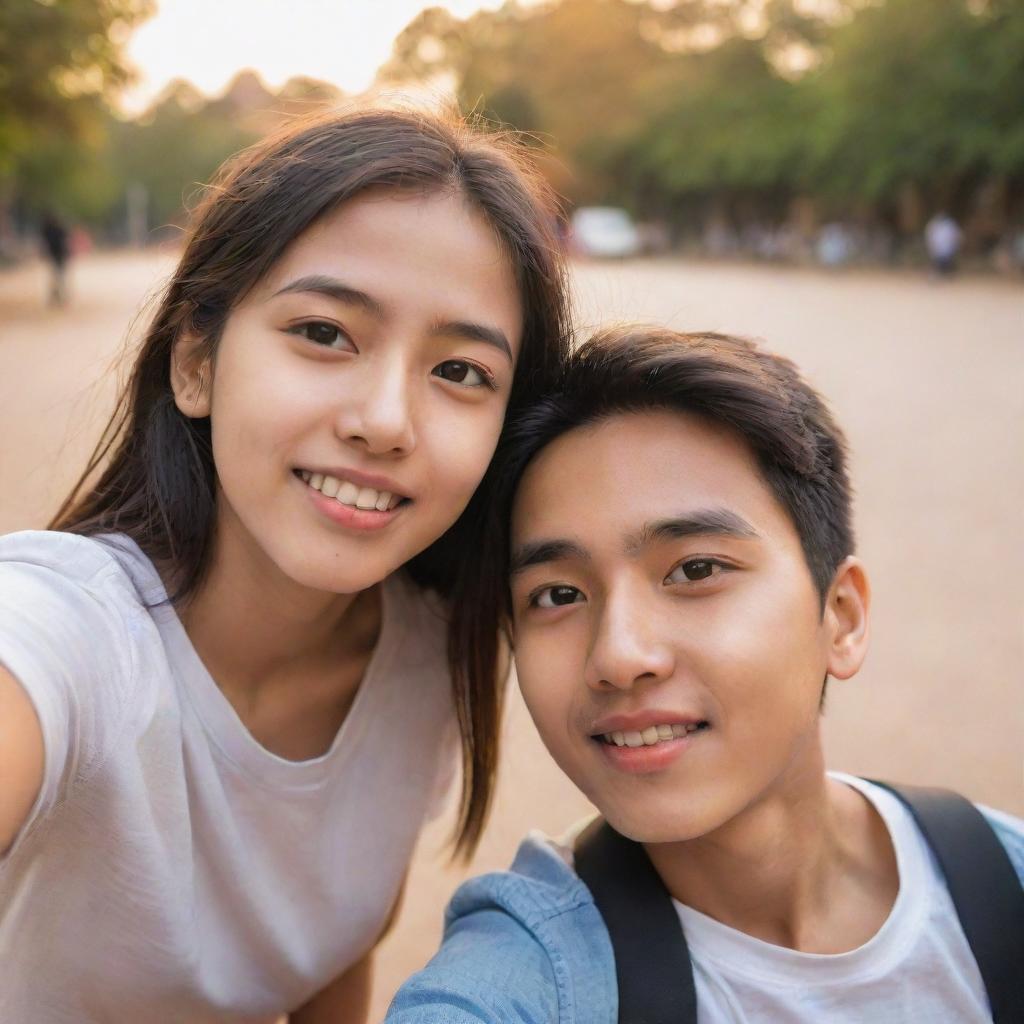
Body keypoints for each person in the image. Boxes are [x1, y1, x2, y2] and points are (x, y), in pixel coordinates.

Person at [0, 106, 570, 1022]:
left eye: (460, 371)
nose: (385, 420)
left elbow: (326, 969)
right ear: (195, 361)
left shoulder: (431, 655)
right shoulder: (69, 632)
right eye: (325, 333)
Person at [386, 326, 1024, 1023]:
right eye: (558, 595)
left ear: (840, 618)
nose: (619, 656)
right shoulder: (522, 981)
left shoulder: (1001, 888)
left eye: (695, 570)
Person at [39, 211, 70, 306]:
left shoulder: (49, 229)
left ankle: (57, 296)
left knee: (57, 276)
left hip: (58, 255)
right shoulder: (53, 229)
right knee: (58, 276)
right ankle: (58, 296)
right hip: (57, 255)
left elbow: (44, 243)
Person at [925, 210, 963, 277]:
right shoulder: (935, 224)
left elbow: (956, 236)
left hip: (947, 248)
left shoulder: (950, 225)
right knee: (938, 262)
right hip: (938, 248)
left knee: (946, 262)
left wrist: (955, 245)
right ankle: (939, 275)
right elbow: (930, 236)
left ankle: (946, 275)